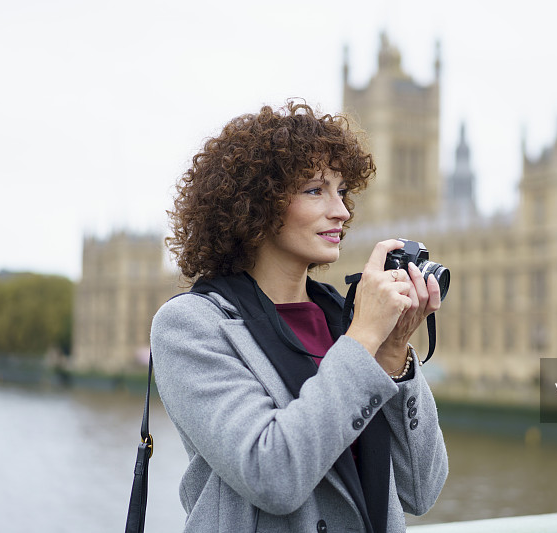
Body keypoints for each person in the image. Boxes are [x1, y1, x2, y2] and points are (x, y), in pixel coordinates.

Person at [151, 100, 448, 533]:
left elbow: (420, 490)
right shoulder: (192, 325)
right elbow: (272, 476)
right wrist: (364, 338)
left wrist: (393, 350)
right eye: (316, 190)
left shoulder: (341, 319)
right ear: (257, 205)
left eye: (342, 191)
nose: (342, 212)